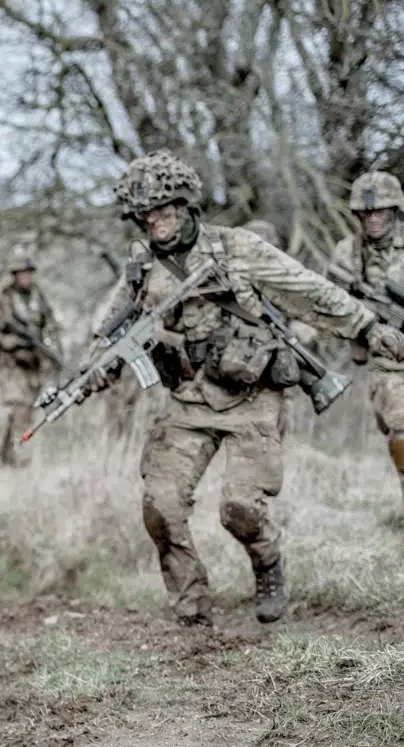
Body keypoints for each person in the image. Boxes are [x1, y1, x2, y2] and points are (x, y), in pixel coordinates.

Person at [91, 152, 404, 626]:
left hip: (251, 398)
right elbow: (108, 326)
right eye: (144, 214)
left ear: (185, 204)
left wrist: (365, 326)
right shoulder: (141, 266)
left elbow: (308, 290)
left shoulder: (236, 247)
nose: (154, 221)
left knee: (239, 508)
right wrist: (95, 365)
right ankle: (193, 607)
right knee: (160, 505)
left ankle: (267, 561)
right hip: (187, 402)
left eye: (163, 209)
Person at [326, 171, 404, 506]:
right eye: (366, 212)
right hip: (388, 366)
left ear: (395, 210)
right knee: (402, 430)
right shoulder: (348, 254)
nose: (373, 218)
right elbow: (326, 303)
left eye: (380, 210)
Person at [0, 248, 62, 464]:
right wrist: (5, 342)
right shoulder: (2, 302)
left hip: (33, 362)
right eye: (20, 273)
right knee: (20, 410)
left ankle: (6, 454)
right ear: (13, 275)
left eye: (28, 272)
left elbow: (50, 325)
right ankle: (20, 460)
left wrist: (52, 350)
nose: (25, 276)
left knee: (25, 413)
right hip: (12, 364)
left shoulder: (38, 297)